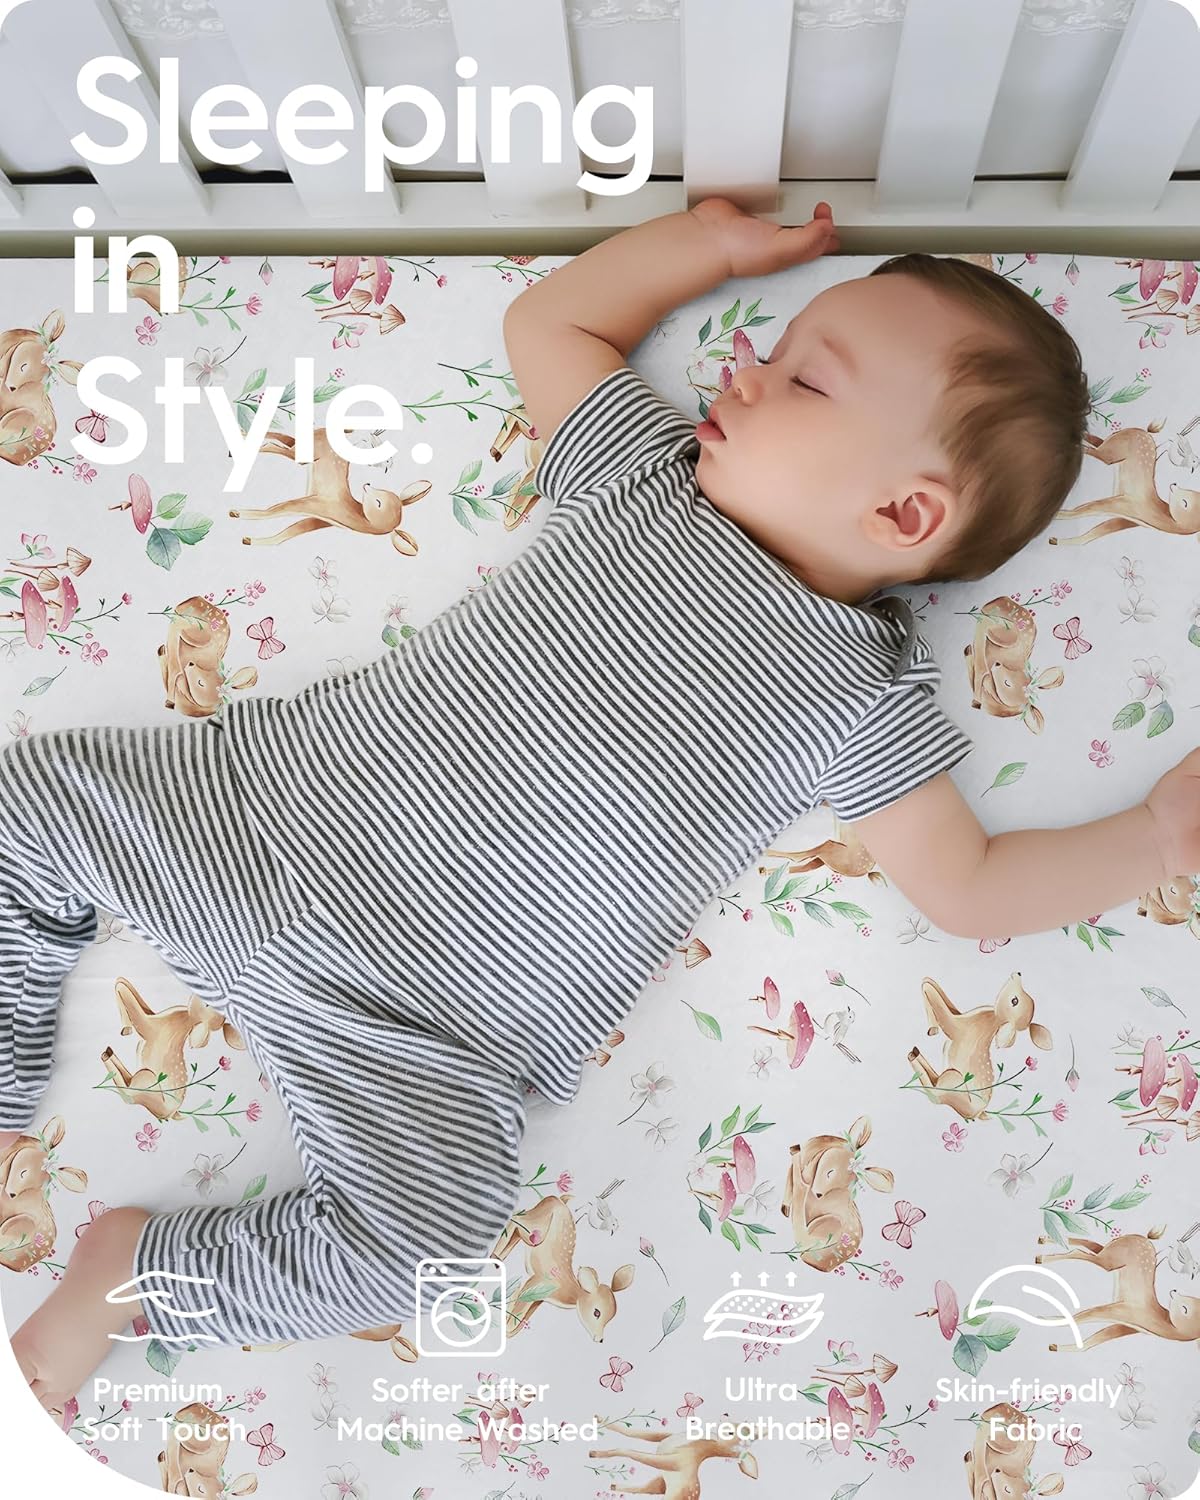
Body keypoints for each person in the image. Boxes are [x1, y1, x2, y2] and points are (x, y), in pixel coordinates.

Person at [4, 199, 1198, 1415]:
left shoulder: (861, 695)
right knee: (25, 804)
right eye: (772, 347)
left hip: (429, 1024)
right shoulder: (647, 478)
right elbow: (553, 324)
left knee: (423, 1251)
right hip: (255, 828)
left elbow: (968, 884)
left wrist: (1157, 836)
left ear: (904, 514)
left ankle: (135, 1279)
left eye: (804, 380)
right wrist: (711, 249)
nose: (743, 368)